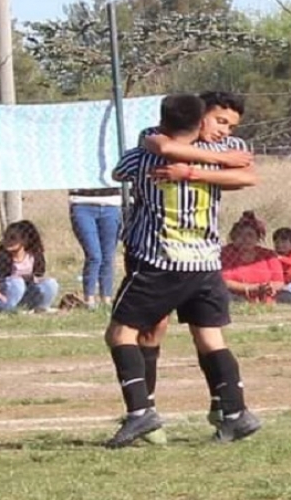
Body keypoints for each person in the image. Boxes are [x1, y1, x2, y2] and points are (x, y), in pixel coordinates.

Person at [104, 93, 262, 449]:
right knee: (203, 336)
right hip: (203, 264)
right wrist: (210, 166)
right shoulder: (168, 146)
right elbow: (159, 143)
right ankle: (235, 414)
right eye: (220, 121)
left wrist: (189, 170)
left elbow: (121, 168)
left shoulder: (152, 154)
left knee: (120, 333)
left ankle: (141, 412)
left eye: (230, 126)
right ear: (201, 117)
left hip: (163, 261)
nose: (226, 131)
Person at [0, 220, 60, 313]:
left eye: (12, 238)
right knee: (17, 283)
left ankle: (40, 308)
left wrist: (34, 279)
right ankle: (6, 309)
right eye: (5, 236)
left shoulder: (35, 256)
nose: (7, 241)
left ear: (25, 240)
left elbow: (39, 275)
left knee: (50, 283)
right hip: (3, 294)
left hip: (26, 292)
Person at [68, 188, 122, 309]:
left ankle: (106, 299)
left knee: (108, 256)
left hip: (111, 205)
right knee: (94, 256)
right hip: (82, 204)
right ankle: (89, 299)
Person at [220, 211, 284, 304]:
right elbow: (223, 281)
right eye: (240, 235)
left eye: (250, 235)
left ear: (258, 238)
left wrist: (270, 287)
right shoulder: (225, 253)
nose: (245, 239)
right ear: (233, 237)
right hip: (234, 297)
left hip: (265, 298)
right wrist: (252, 288)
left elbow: (279, 282)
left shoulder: (268, 255)